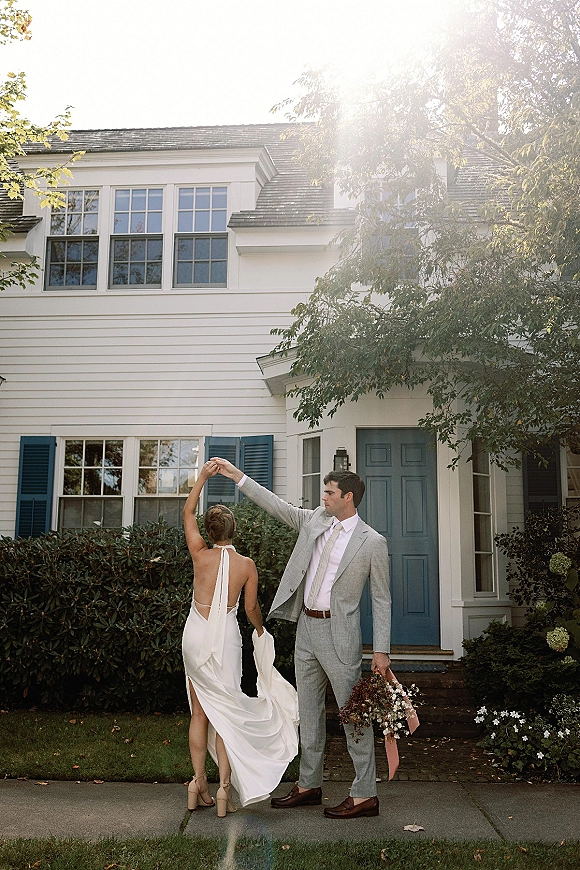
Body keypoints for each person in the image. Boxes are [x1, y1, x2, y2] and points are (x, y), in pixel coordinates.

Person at [212, 458, 391, 819]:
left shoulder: (373, 542)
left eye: (329, 492)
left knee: (353, 716)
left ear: (348, 497)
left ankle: (364, 794)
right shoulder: (314, 521)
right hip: (306, 631)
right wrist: (237, 476)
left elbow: (382, 598)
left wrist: (381, 651)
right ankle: (309, 784)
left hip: (341, 638)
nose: (323, 497)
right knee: (308, 714)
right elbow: (276, 506)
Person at [181, 460, 298, 817]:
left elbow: (187, 511)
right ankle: (224, 791)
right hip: (226, 640)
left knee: (200, 712)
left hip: (194, 637)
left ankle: (196, 782)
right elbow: (250, 611)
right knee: (228, 713)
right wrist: (262, 631)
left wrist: (202, 477)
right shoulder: (247, 565)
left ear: (209, 531)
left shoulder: (199, 554)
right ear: (235, 530)